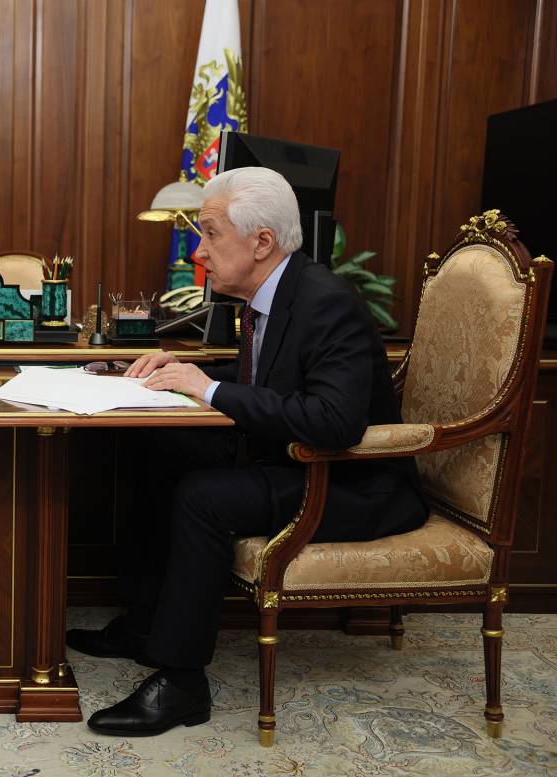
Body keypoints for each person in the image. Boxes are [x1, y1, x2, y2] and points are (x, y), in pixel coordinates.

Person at [67, 167, 428, 737]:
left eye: (210, 234)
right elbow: (274, 377)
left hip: (352, 485)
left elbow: (334, 422)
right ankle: (144, 625)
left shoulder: (326, 301)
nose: (199, 251)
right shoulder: (273, 295)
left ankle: (182, 682)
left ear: (262, 242)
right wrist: (176, 373)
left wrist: (209, 388)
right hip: (290, 461)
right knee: (153, 445)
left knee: (204, 496)